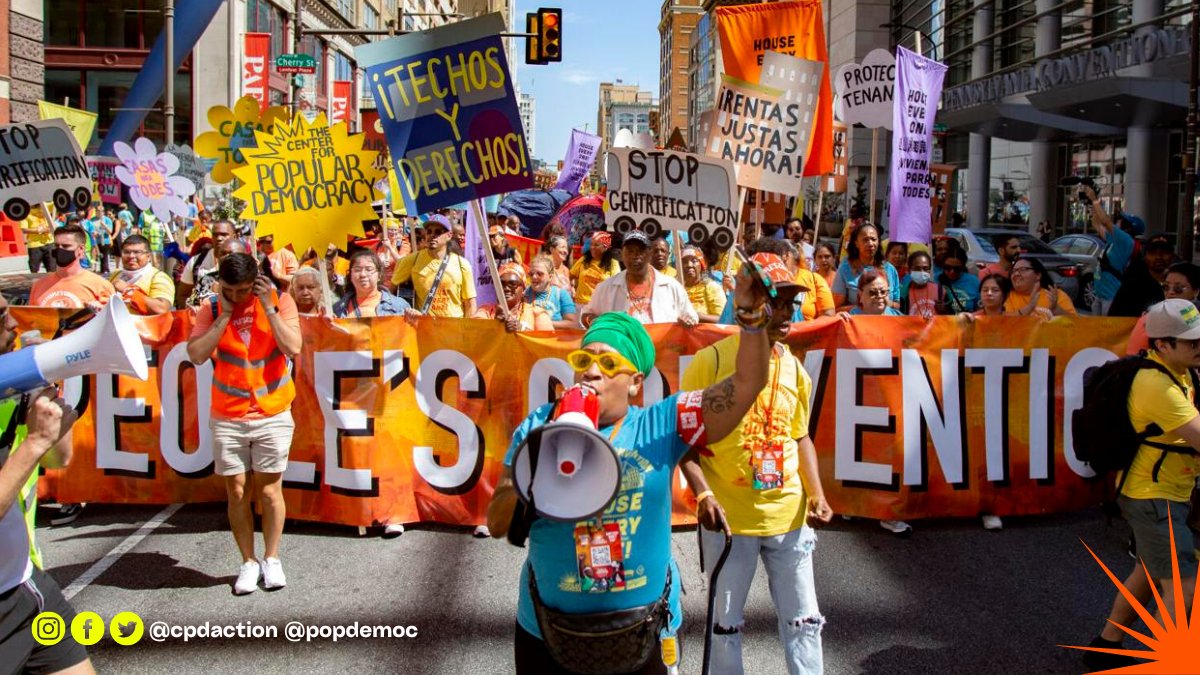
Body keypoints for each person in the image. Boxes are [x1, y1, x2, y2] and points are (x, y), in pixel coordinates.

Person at [486, 264, 776, 674]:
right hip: (546, 635)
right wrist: (537, 464)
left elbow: (747, 383)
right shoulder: (537, 427)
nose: (590, 371)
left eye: (608, 364)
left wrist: (750, 317)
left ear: (636, 382)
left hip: (644, 634)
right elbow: (497, 522)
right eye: (583, 359)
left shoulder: (662, 423)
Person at [679, 252, 831, 675]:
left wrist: (816, 495)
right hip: (730, 524)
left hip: (789, 520)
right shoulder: (710, 362)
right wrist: (704, 494)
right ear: (749, 301)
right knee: (724, 627)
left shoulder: (795, 369)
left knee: (804, 622)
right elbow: (684, 442)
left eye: (790, 304)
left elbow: (800, 436)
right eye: (775, 302)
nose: (786, 314)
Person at [1081, 298, 1199, 672]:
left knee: (1147, 576)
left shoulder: (1177, 370)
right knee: (1184, 590)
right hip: (1155, 498)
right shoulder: (1157, 386)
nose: (1199, 347)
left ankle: (1105, 647)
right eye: (1192, 342)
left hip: (1160, 492)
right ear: (1162, 344)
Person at [186, 252, 302, 595]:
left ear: (258, 282)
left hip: (273, 412)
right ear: (220, 284)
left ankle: (272, 558)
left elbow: (293, 347)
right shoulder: (210, 308)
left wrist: (268, 307)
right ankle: (248, 562)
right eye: (230, 290)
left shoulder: (280, 301)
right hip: (228, 415)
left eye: (244, 290)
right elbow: (196, 354)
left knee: (269, 490)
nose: (237, 297)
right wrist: (223, 316)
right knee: (237, 490)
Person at [0, 294, 94, 675]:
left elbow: (59, 459)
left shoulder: (8, 388)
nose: (13, 324)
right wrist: (36, 441)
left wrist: (50, 406)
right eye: (1, 317)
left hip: (25, 584)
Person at [582, 231, 698, 328]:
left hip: (661, 348)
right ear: (622, 255)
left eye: (640, 251)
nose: (635, 256)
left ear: (649, 253)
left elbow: (691, 317)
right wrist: (595, 321)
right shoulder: (605, 288)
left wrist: (688, 321)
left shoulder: (672, 286)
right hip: (621, 348)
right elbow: (586, 315)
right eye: (630, 251)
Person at [390, 214, 477, 317]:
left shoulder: (462, 263)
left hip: (455, 325)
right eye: (429, 231)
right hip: (425, 325)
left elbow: (470, 303)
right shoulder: (411, 260)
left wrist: (469, 326)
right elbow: (390, 293)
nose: (432, 235)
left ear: (449, 236)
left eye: (438, 232)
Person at [1083, 184, 1142, 316]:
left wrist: (1094, 200)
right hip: (1100, 295)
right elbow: (1097, 225)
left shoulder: (1125, 240)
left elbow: (1105, 221)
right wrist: (1092, 206)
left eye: (1120, 220)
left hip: (1110, 297)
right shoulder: (1115, 240)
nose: (1117, 221)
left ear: (1127, 227)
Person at [28, 224, 115, 313]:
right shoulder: (39, 286)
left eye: (66, 246)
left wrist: (100, 311)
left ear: (81, 249)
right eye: (56, 246)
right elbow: (31, 318)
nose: (60, 250)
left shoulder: (101, 285)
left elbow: (113, 317)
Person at [1127, 262, 1200, 355]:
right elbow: (1135, 355)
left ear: (1196, 291)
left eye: (1178, 288)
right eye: (1166, 287)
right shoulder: (1151, 317)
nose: (1170, 292)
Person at [832, 222, 900, 310]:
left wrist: (884, 303)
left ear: (878, 242)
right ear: (856, 243)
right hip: (857, 318)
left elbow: (897, 305)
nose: (870, 244)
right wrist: (864, 307)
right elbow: (837, 308)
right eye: (865, 240)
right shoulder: (845, 268)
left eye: (873, 239)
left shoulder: (890, 269)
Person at [332, 250, 418, 319]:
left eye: (369, 269)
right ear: (350, 275)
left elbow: (411, 334)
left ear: (379, 276)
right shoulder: (337, 310)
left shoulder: (399, 306)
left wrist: (417, 321)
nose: (363, 274)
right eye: (357, 270)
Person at [476, 261, 553, 332]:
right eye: (501, 284)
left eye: (513, 284)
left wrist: (522, 329)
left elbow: (547, 340)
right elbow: (473, 336)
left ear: (523, 289)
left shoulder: (537, 314)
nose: (506, 288)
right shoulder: (485, 312)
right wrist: (494, 324)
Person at [110, 234, 175, 315]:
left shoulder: (159, 277)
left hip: (144, 323)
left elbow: (162, 308)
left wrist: (128, 290)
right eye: (126, 252)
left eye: (137, 252)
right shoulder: (116, 275)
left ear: (148, 256)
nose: (131, 256)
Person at [178, 219, 237, 307]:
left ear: (234, 237)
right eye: (215, 235)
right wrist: (194, 308)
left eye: (224, 235)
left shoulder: (247, 264)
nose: (219, 238)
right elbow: (184, 296)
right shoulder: (196, 263)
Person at [1005, 257, 1077, 317]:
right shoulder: (1006, 296)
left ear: (1038, 275)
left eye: (1023, 269)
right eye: (1013, 271)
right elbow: (1004, 323)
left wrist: (1056, 309)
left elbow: (1076, 324)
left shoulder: (1056, 295)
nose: (1016, 274)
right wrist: (1030, 307)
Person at [526, 255, 578, 330]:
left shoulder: (561, 294)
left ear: (550, 277)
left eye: (539, 274)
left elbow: (572, 324)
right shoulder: (524, 293)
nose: (534, 277)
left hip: (553, 337)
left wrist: (544, 323)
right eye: (531, 274)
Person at [570, 231, 621, 305]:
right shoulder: (584, 260)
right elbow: (570, 276)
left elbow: (616, 286)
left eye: (596, 245)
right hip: (581, 304)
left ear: (605, 247)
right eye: (591, 244)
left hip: (601, 305)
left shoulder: (613, 264)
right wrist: (572, 288)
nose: (592, 247)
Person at [680, 245, 726, 323]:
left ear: (701, 265)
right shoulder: (675, 288)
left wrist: (699, 317)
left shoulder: (712, 287)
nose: (689, 265)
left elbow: (724, 320)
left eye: (694, 261)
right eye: (684, 262)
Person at [937, 247, 980, 314]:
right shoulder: (935, 280)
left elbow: (980, 308)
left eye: (956, 269)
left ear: (963, 267)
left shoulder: (974, 282)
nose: (952, 272)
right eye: (947, 267)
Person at [902, 251, 943, 319]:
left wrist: (944, 310)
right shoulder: (902, 293)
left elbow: (952, 316)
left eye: (925, 268)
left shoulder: (940, 290)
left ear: (930, 270)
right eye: (917, 268)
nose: (922, 272)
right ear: (909, 270)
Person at [19, 205, 56, 273]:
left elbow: (55, 204)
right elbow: (24, 229)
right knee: (34, 269)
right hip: (35, 245)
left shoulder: (45, 207)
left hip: (49, 243)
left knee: (52, 268)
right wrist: (38, 230)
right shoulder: (25, 213)